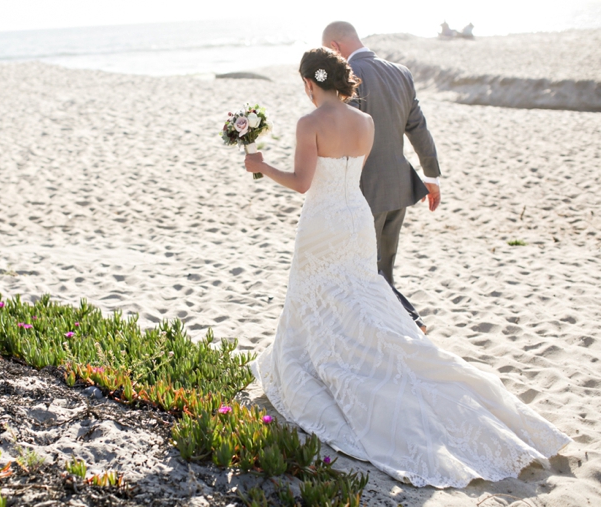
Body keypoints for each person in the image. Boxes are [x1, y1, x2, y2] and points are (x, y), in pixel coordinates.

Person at [244, 47, 571, 488]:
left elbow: (303, 183)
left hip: (322, 222)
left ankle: (319, 361)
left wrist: (262, 167)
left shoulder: (309, 124)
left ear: (309, 83)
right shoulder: (366, 122)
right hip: (355, 218)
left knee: (316, 293)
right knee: (363, 292)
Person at [323, 21, 439, 333]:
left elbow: (344, 133)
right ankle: (397, 328)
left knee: (364, 268)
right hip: (399, 184)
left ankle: (410, 322)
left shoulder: (347, 78)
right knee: (384, 266)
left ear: (334, 47)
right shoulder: (401, 72)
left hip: (364, 188)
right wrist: (432, 176)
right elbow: (418, 126)